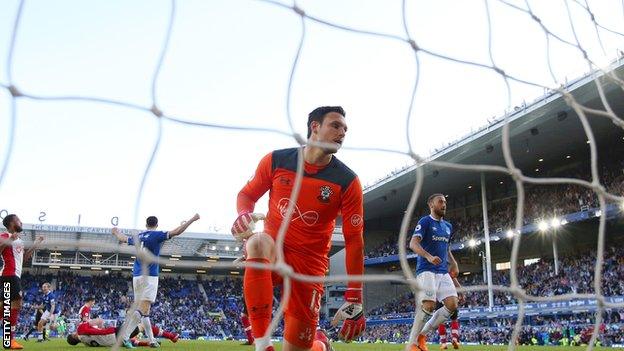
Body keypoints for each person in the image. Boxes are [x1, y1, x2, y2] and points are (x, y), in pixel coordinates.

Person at [231, 106, 365, 351]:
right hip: (275, 249)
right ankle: (262, 344)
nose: (342, 133)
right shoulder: (277, 160)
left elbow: (354, 240)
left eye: (345, 129)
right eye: (335, 126)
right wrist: (243, 215)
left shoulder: (347, 181)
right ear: (315, 126)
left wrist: (355, 293)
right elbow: (247, 195)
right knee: (257, 241)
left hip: (310, 265)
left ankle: (320, 346)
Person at [111, 214, 199, 348]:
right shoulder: (157, 235)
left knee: (145, 311)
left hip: (137, 276)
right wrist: (192, 219)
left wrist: (116, 232)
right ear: (156, 225)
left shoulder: (139, 236)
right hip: (150, 275)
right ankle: (125, 336)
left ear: (146, 225)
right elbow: (177, 232)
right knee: (143, 308)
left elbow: (123, 239)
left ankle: (152, 340)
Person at [408, 194, 459, 351]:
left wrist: (454, 263)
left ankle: (422, 335)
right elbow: (413, 243)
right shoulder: (425, 221)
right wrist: (428, 256)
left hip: (443, 271)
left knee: (452, 305)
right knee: (429, 306)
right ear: (431, 204)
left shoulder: (448, 226)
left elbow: (446, 248)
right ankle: (412, 344)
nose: (444, 204)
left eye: (445, 202)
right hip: (426, 269)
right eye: (440, 202)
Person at [0, 214, 44, 349]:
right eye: (19, 220)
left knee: (4, 307)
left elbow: (24, 258)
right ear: (12, 223)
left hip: (15, 275)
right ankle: (9, 340)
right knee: (15, 305)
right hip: (9, 274)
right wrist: (9, 240)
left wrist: (35, 245)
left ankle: (9, 340)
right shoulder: (5, 236)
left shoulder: (19, 241)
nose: (21, 222)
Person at [66, 321, 178, 347]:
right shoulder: (80, 329)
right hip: (113, 333)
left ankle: (150, 344)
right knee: (143, 325)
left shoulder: (86, 344)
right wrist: (98, 321)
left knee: (131, 340)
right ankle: (171, 337)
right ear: (74, 336)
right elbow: (95, 322)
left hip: (113, 342)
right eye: (73, 333)